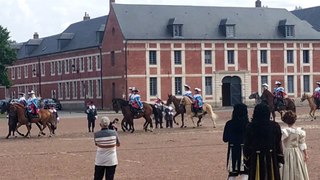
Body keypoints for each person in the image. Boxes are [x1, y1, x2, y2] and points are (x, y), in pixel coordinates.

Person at [244, 103, 284, 180]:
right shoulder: (275, 126)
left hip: (256, 157)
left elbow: (247, 146)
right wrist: (279, 158)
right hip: (271, 157)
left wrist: (247, 160)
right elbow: (278, 144)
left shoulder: (250, 126)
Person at [223, 103, 249, 180]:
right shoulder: (248, 124)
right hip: (245, 151)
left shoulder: (229, 124)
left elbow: (225, 139)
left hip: (233, 150)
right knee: (245, 173)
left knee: (232, 173)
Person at [281, 111, 309, 180]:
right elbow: (302, 143)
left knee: (287, 168)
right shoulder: (300, 132)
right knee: (298, 167)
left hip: (286, 152)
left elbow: (279, 142)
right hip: (297, 152)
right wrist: (306, 154)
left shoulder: (284, 131)